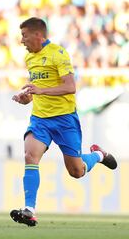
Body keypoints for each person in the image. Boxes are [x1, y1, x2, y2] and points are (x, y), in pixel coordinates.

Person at [10, 17, 117, 227]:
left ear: (38, 35)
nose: (21, 41)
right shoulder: (30, 58)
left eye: (24, 35)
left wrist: (41, 90)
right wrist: (27, 97)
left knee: (76, 171)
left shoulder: (59, 54)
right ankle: (29, 210)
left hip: (64, 119)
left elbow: (70, 87)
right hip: (40, 119)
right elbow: (37, 86)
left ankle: (98, 155)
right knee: (30, 155)